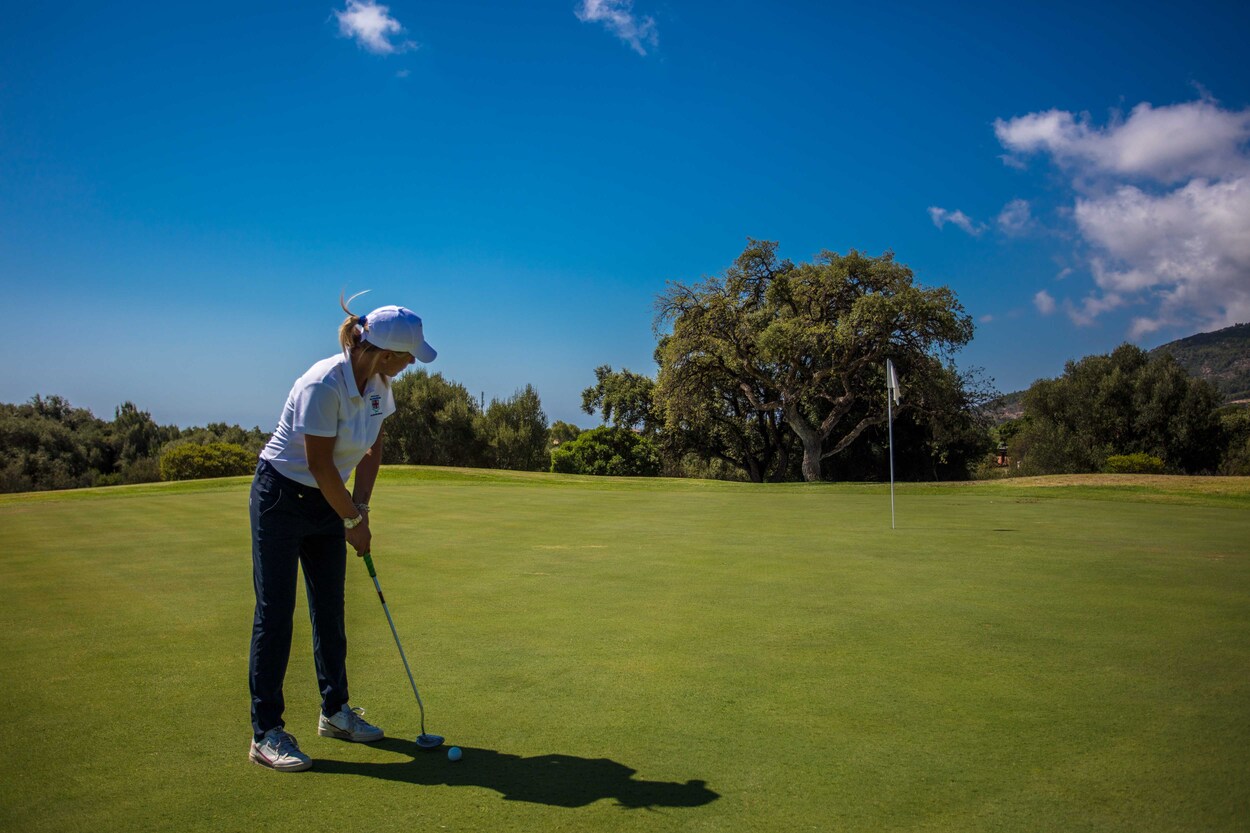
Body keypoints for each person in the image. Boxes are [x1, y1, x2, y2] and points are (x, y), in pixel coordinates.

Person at [247, 297, 436, 772]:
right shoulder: (323, 383)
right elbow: (318, 464)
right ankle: (265, 733)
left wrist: (361, 509)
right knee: (276, 613)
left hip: (329, 499)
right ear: (385, 353)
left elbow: (372, 448)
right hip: (281, 496)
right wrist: (351, 521)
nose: (412, 363)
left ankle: (335, 711)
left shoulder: (379, 385)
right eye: (408, 356)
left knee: (330, 608)